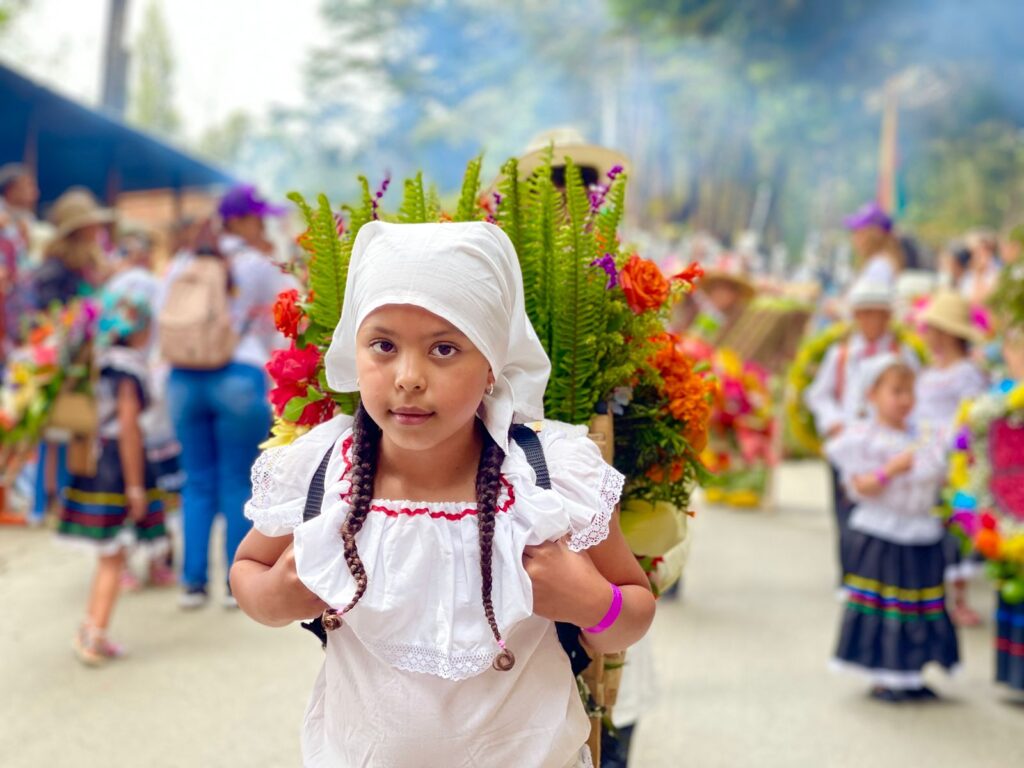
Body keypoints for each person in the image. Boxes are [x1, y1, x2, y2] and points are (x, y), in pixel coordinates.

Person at [231, 221, 655, 767]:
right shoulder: (322, 474)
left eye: (445, 349)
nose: (408, 377)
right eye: (383, 345)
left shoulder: (549, 479)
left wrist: (594, 604)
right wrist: (270, 598)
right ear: (354, 348)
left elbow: (634, 610)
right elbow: (247, 567)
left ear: (491, 368)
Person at [164, 185, 294, 609]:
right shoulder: (257, 264)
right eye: (258, 218)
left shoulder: (184, 261)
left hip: (183, 378)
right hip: (238, 375)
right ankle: (235, 586)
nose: (264, 225)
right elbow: (284, 323)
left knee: (196, 480)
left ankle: (192, 583)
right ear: (239, 220)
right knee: (238, 479)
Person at [826, 355, 960, 701]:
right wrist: (890, 471)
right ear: (872, 394)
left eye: (909, 392)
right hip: (883, 533)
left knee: (919, 603)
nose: (904, 400)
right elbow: (860, 487)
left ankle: (912, 673)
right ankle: (885, 675)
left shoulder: (922, 435)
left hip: (920, 531)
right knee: (888, 605)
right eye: (895, 391)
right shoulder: (863, 438)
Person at [57, 285, 168, 665]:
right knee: (113, 557)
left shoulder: (98, 361)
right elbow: (129, 428)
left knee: (109, 556)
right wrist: (136, 485)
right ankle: (94, 636)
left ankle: (90, 627)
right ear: (137, 327)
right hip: (117, 468)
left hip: (94, 461)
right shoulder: (128, 368)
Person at [805, 278, 920, 583]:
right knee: (845, 511)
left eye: (878, 313)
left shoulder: (902, 354)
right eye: (864, 313)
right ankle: (848, 572)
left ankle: (877, 572)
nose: (871, 320)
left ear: (888, 317)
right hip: (850, 443)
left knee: (881, 505)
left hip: (888, 443)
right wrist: (833, 422)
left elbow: (915, 394)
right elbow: (819, 394)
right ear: (855, 316)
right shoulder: (841, 355)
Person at [912, 290, 989, 626]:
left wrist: (954, 454)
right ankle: (931, 595)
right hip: (924, 453)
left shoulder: (966, 373)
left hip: (954, 457)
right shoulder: (928, 374)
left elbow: (972, 416)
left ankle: (959, 599)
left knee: (956, 527)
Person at [0, 163, 39, 357]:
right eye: (28, 186)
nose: (35, 193)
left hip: (18, 311)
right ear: (10, 189)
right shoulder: (3, 220)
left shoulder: (25, 221)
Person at [843, 201, 905, 279]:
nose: (854, 239)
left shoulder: (879, 267)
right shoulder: (886, 262)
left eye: (859, 233)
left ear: (875, 235)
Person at [960, 229, 1001, 306]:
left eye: (983, 250)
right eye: (975, 251)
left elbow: (989, 298)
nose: (978, 255)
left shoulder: (999, 271)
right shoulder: (969, 275)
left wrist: (979, 275)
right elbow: (968, 299)